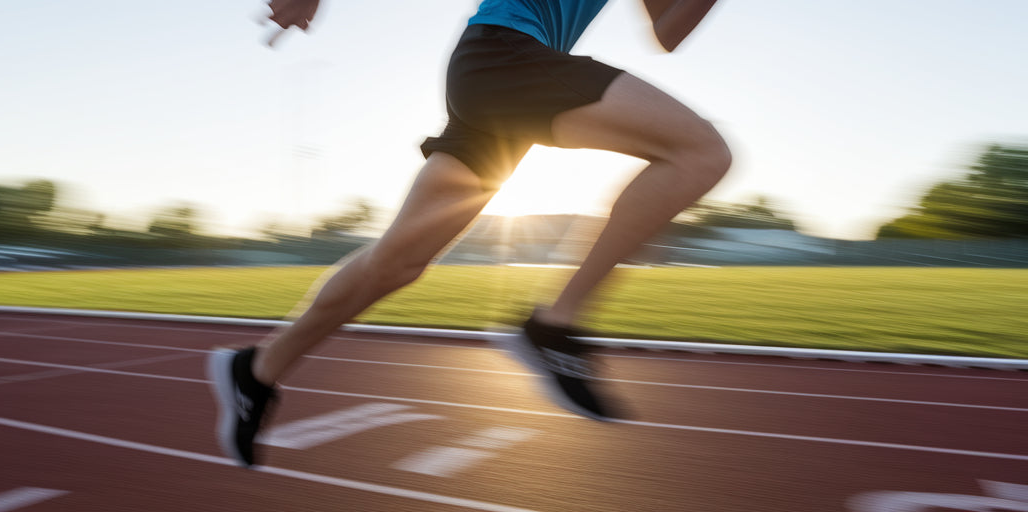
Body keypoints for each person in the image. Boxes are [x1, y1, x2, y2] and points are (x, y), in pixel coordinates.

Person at [209, 0, 727, 468]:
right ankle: (554, 326)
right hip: (504, 55)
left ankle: (255, 370)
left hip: (502, 76)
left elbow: (668, 30)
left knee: (399, 261)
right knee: (699, 152)